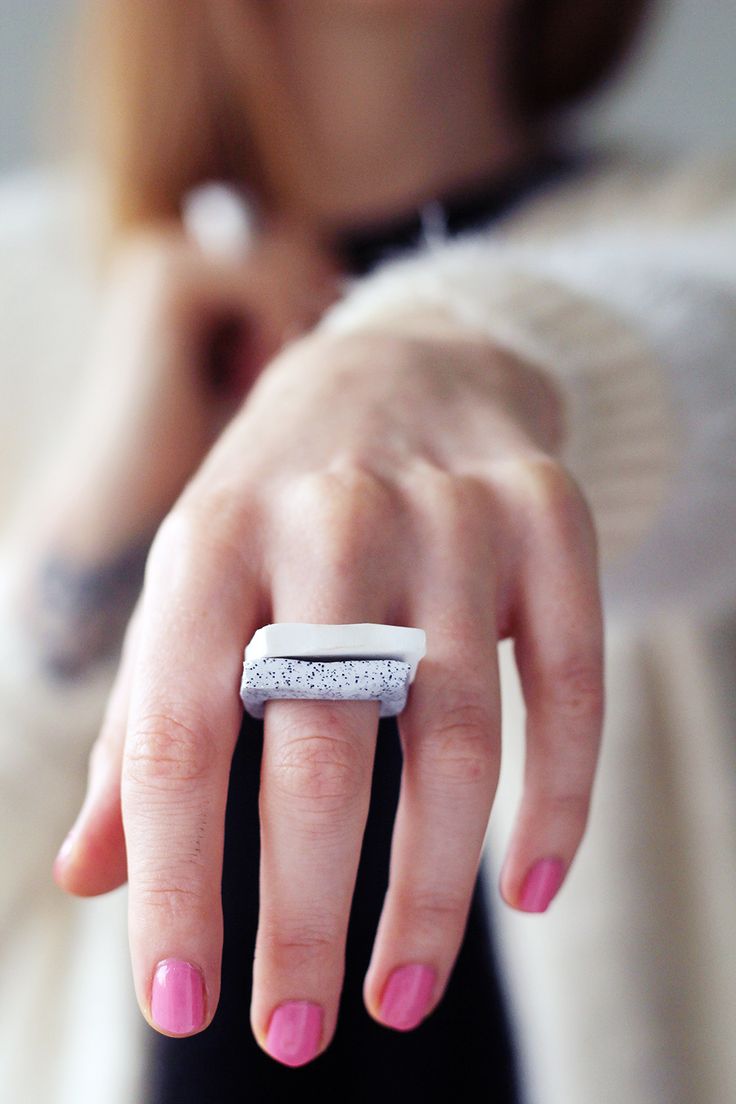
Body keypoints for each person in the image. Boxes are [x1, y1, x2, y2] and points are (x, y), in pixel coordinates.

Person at [0, 1, 735, 1101]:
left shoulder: (698, 231)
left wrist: (450, 361)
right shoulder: (26, 285)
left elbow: (696, 362)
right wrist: (81, 548)